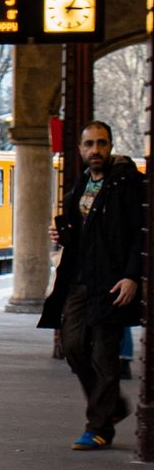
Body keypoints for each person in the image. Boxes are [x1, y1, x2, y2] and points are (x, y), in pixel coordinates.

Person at [39, 120, 145, 448]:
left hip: (111, 282)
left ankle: (99, 428)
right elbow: (82, 232)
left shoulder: (128, 184)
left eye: (101, 143)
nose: (95, 150)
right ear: (81, 149)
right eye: (89, 144)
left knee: (104, 355)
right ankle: (111, 406)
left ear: (110, 146)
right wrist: (63, 234)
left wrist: (132, 276)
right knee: (72, 346)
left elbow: (140, 235)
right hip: (79, 280)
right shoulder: (82, 182)